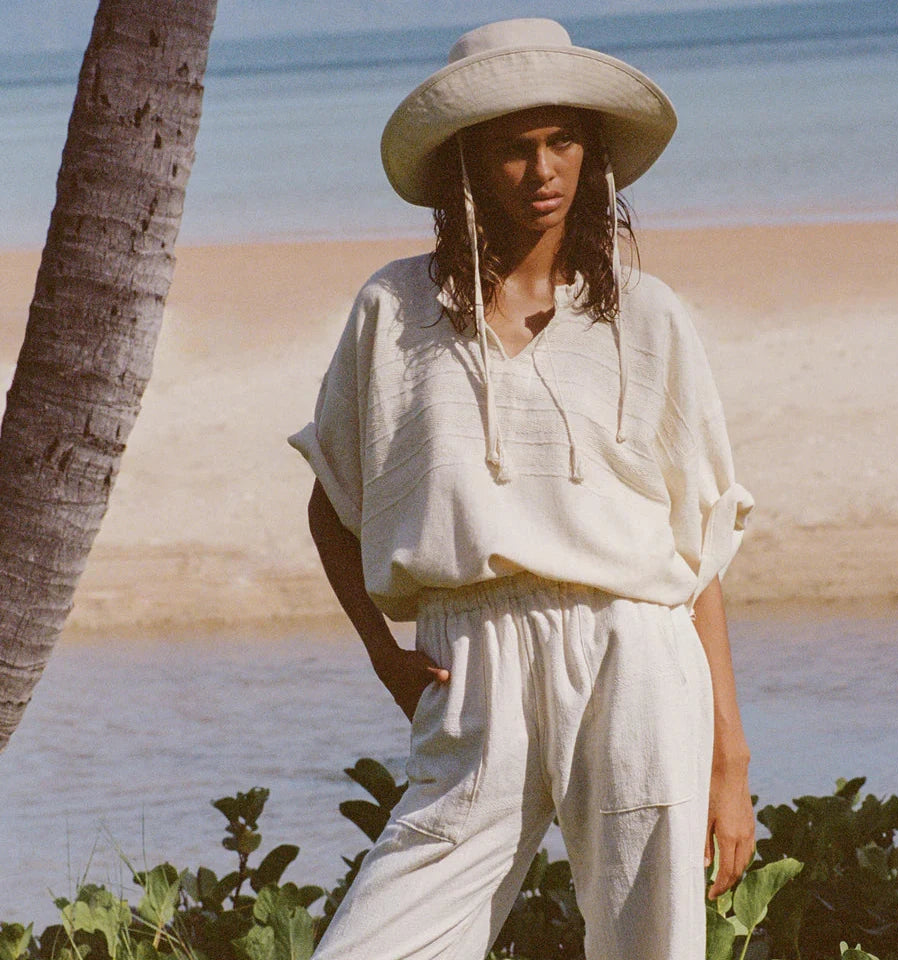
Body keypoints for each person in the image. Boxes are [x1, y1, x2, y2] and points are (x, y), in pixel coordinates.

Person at [289, 17, 755, 960]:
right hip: (474, 665)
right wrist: (386, 657)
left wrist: (728, 758)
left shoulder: (651, 318)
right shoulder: (393, 310)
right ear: (468, 163)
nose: (543, 170)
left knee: (651, 946)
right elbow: (331, 502)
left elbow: (695, 548)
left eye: (562, 141)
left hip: (634, 651)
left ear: (591, 154)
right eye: (515, 148)